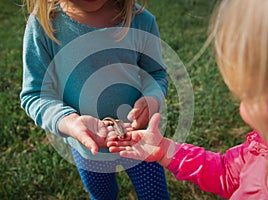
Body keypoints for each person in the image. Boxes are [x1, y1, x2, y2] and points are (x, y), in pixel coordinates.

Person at [108, 0, 268, 199]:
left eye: (254, 98)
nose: (243, 111)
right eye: (244, 97)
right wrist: (166, 150)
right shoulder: (260, 150)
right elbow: (227, 173)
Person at [20, 0, 170, 199]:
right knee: (102, 195)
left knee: (154, 195)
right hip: (88, 149)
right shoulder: (43, 25)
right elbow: (36, 94)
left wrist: (152, 98)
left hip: (139, 139)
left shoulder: (140, 19)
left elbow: (156, 73)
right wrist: (70, 122)